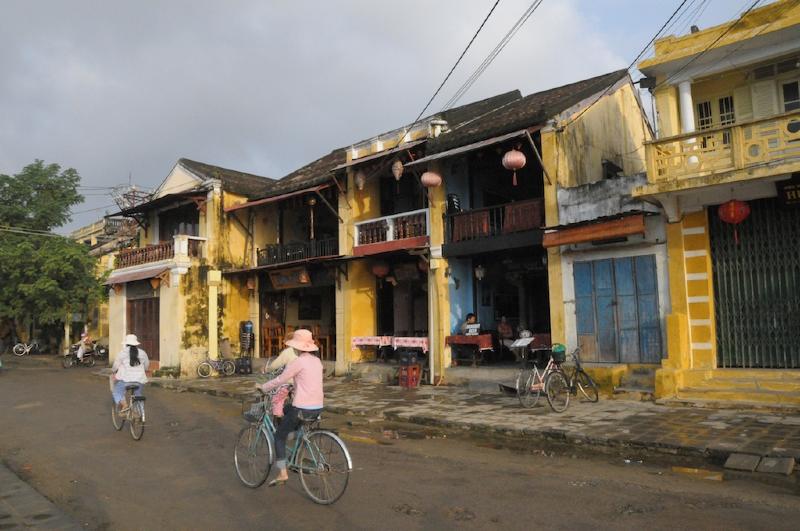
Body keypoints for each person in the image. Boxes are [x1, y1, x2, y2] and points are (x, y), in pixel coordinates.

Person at [256, 329, 323, 487]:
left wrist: (263, 387)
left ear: (297, 347)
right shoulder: (317, 362)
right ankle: (294, 441)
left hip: (302, 407)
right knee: (286, 410)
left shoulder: (298, 362)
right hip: (318, 407)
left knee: (279, 437)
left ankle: (282, 472)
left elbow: (280, 379)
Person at [261, 332, 298, 419]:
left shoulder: (288, 351)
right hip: (299, 383)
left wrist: (266, 369)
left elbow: (275, 365)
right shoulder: (302, 352)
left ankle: (279, 421)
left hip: (288, 382)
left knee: (277, 400)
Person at [111, 334, 149, 413]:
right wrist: (144, 370)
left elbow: (115, 366)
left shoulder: (122, 353)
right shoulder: (142, 353)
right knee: (138, 393)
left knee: (117, 391)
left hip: (126, 380)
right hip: (140, 380)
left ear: (126, 343)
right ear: (136, 343)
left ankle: (124, 405)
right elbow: (146, 365)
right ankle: (140, 413)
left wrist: (113, 371)